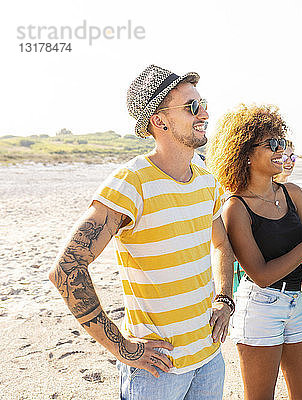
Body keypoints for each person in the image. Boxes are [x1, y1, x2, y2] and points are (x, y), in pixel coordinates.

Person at [48, 65, 235, 400]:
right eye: (191, 107)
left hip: (209, 358)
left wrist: (225, 298)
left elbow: (221, 243)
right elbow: (66, 270)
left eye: (203, 102)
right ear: (159, 120)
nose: (204, 113)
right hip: (156, 371)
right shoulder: (131, 182)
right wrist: (124, 349)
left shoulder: (207, 180)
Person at [207, 104, 302, 400]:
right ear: (246, 154)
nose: (281, 150)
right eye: (272, 144)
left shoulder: (295, 194)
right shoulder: (235, 208)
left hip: (299, 302)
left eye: (281, 142)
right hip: (261, 306)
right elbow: (261, 275)